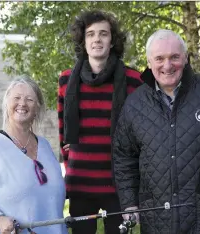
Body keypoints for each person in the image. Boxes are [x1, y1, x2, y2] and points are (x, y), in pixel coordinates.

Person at [112, 29, 200, 234]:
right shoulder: (134, 104)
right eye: (159, 58)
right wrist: (129, 203)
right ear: (149, 62)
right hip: (156, 218)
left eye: (174, 57)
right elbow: (124, 158)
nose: (167, 65)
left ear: (185, 58)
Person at [57, 10, 143, 234]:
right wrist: (73, 164)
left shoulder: (134, 80)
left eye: (103, 34)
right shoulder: (66, 80)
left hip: (119, 186)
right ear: (83, 41)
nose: (97, 39)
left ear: (112, 40)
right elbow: (62, 134)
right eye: (91, 34)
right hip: (80, 184)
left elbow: (141, 134)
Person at [0, 76, 67, 234]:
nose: (22, 103)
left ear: (37, 108)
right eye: (17, 98)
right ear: (7, 104)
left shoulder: (45, 146)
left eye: (29, 99)